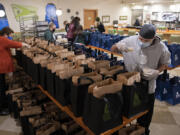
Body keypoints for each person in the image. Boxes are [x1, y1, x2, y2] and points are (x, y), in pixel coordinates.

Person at [111, 24, 171, 135]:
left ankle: (142, 131)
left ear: (153, 38)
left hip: (148, 85)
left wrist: (157, 71)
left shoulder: (161, 48)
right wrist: (118, 47)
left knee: (145, 114)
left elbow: (165, 64)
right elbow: (113, 48)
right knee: (125, 111)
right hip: (129, 82)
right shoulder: (130, 40)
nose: (142, 42)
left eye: (146, 40)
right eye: (140, 39)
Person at [0, 27, 30, 115]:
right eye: (10, 35)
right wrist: (24, 45)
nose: (10, 37)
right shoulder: (2, 39)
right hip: (1, 66)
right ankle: (2, 108)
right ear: (6, 34)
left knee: (2, 86)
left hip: (1, 67)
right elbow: (13, 43)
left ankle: (3, 105)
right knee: (1, 88)